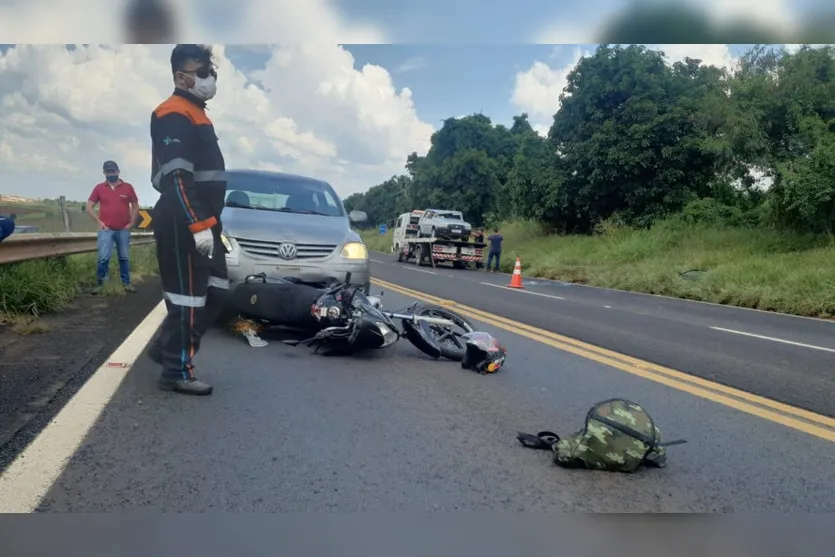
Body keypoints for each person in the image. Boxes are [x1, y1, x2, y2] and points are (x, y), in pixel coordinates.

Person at [146, 44, 228, 396]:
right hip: (184, 221)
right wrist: (198, 225)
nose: (209, 78)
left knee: (218, 294)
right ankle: (176, 370)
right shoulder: (174, 113)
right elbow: (177, 177)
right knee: (189, 299)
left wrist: (209, 223)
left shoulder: (196, 112)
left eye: (211, 71)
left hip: (205, 220)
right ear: (181, 76)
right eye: (203, 72)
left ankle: (166, 348)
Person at [86, 160, 139, 293]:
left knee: (124, 257)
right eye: (108, 172)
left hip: (123, 229)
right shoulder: (99, 188)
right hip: (106, 230)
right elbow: (89, 206)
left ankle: (126, 284)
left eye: (113, 171)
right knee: (103, 257)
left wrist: (131, 223)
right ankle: (102, 284)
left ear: (118, 171)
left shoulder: (128, 187)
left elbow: (135, 205)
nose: (111, 174)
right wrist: (99, 222)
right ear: (104, 173)